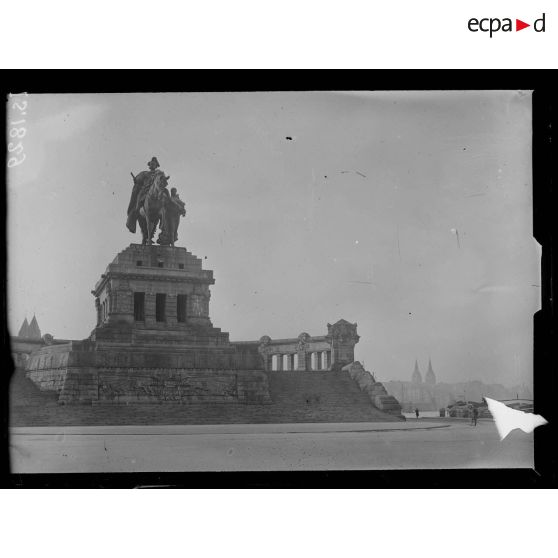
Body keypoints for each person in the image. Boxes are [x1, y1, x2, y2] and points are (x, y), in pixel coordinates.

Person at [126, 157, 164, 233]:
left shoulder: (159, 173)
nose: (152, 165)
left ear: (156, 166)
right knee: (137, 203)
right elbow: (138, 180)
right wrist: (136, 181)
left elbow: (163, 180)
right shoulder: (144, 173)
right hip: (145, 191)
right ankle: (134, 217)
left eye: (154, 164)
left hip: (157, 191)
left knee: (165, 200)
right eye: (151, 164)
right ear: (149, 165)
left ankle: (164, 224)